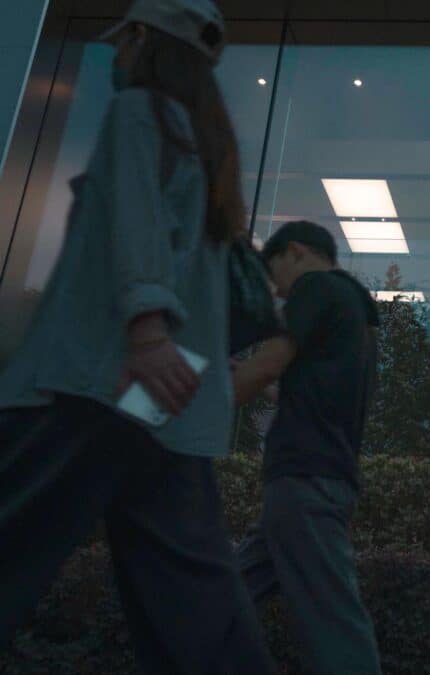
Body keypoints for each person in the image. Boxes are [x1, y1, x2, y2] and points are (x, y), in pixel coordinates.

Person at [0, 1, 276, 672]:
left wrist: (145, 329)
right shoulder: (207, 143)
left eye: (122, 41)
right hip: (164, 398)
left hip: (96, 379)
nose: (116, 55)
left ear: (143, 37)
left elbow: (136, 223)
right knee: (191, 590)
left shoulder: (140, 113)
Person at [232, 221, 383, 675]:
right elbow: (297, 390)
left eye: (274, 274)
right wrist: (247, 374)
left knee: (332, 620)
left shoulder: (316, 287)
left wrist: (194, 395)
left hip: (304, 482)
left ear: (295, 252)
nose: (277, 292)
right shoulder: (355, 314)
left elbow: (269, 366)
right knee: (226, 595)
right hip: (319, 480)